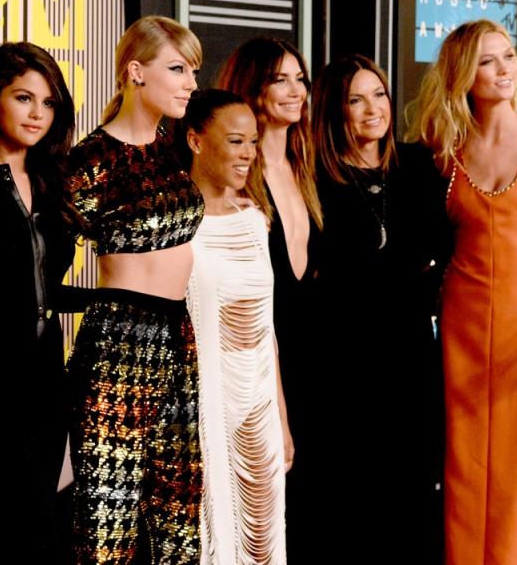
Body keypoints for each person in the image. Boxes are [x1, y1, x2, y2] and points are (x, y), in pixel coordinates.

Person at [407, 18, 517, 564]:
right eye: (487, 61)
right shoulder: (441, 151)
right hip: (464, 320)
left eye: (507, 56)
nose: (503, 69)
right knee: (466, 460)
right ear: (462, 72)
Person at [66, 15, 204, 564]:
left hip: (178, 336)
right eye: (178, 69)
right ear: (135, 72)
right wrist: (88, 302)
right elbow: (38, 256)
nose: (190, 82)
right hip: (120, 345)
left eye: (193, 70)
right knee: (109, 518)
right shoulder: (89, 161)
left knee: (178, 513)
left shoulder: (175, 149)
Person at [312, 54, 447, 562]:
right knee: (350, 497)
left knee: (412, 488)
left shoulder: (417, 166)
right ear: (333, 109)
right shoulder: (315, 178)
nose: (373, 109)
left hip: (411, 353)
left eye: (380, 95)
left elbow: (463, 242)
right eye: (355, 99)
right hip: (341, 361)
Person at [0, 41, 80, 564]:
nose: (38, 114)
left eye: (49, 103)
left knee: (42, 524)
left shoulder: (54, 181)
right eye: (24, 99)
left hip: (45, 379)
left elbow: (42, 286)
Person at [215, 37, 319, 561]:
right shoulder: (236, 183)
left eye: (300, 79)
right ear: (251, 87)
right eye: (281, 79)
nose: (296, 90)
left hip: (315, 366)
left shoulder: (308, 168)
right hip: (259, 366)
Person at [178, 88, 289, 564]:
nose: (247, 154)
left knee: (265, 542)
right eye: (236, 141)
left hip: (257, 409)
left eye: (253, 142)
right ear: (196, 141)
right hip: (203, 404)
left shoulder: (255, 220)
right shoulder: (175, 222)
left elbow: (267, 329)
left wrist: (281, 417)